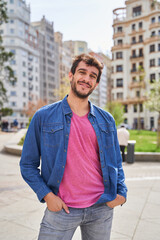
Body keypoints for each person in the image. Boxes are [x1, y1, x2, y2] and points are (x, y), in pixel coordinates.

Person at [20, 54, 127, 240]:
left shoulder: (107, 120)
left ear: (96, 83)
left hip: (101, 209)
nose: (86, 79)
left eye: (93, 76)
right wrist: (47, 196)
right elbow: (27, 165)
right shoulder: (43, 116)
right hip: (61, 209)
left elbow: (116, 161)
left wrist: (121, 193)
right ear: (71, 75)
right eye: (82, 72)